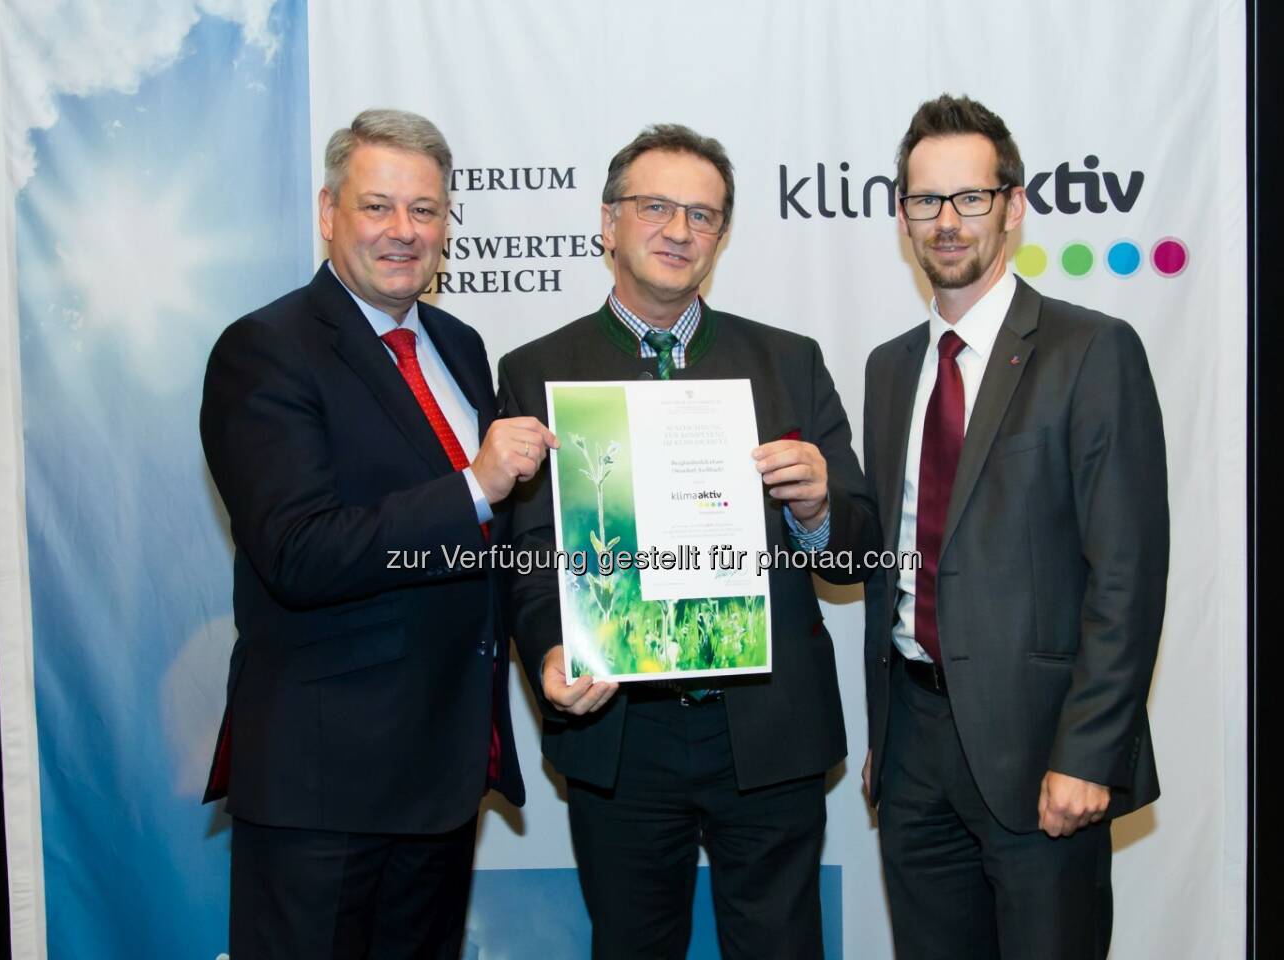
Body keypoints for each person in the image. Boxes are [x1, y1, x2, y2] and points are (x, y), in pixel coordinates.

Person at [498, 124, 878, 960]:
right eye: (656, 207)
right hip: (623, 733)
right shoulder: (536, 371)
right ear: (608, 224)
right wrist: (552, 650)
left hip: (769, 728)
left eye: (702, 215)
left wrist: (818, 509)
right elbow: (528, 558)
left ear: (722, 236)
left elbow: (857, 552)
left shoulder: (788, 361)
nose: (679, 230)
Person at [199, 108, 554, 959]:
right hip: (323, 785)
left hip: (442, 774)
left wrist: (561, 639)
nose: (404, 232)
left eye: (425, 211)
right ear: (328, 213)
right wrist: (471, 486)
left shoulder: (461, 346)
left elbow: (495, 548)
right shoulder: (265, 349)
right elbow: (298, 552)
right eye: (378, 206)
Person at [861, 94, 1170, 960]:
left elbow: (1127, 575)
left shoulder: (1091, 349)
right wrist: (885, 739)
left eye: (970, 198)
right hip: (913, 747)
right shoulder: (890, 371)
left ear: (1014, 205)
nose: (947, 222)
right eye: (926, 201)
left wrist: (1090, 752)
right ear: (901, 215)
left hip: (1042, 751)